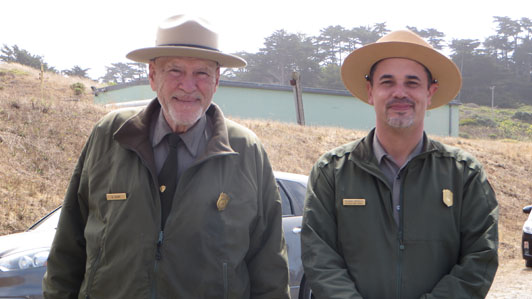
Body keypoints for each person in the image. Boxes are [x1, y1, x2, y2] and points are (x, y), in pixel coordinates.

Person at [43, 15, 290, 298]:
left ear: (217, 80)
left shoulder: (247, 151)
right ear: (152, 75)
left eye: (201, 73)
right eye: (175, 70)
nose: (188, 85)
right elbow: (67, 247)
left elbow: (269, 265)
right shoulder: (109, 135)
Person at [301, 30, 498, 299]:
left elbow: (480, 258)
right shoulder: (331, 173)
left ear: (430, 93)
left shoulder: (464, 175)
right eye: (387, 82)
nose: (400, 93)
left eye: (412, 83)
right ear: (371, 92)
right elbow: (319, 258)